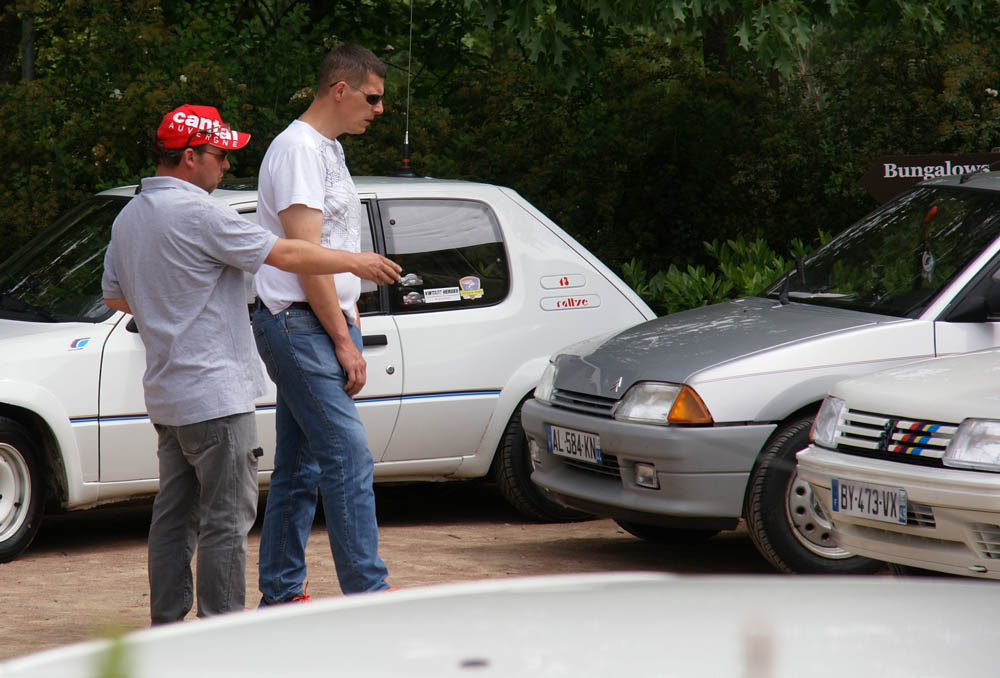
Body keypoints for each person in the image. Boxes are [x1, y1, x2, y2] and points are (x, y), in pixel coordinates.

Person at [101, 103, 400, 625]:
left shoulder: (130, 217)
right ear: (190, 156)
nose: (226, 166)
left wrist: (172, 309)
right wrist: (355, 261)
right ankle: (222, 631)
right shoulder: (201, 214)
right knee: (227, 519)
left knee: (173, 517)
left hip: (168, 395)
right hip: (216, 393)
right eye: (219, 155)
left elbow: (114, 295)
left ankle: (166, 628)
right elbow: (288, 255)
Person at [251, 43, 392, 603]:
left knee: (299, 466)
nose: (379, 109)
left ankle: (281, 595)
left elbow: (325, 247)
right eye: (373, 98)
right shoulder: (297, 151)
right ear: (340, 89)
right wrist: (342, 338)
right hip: (299, 323)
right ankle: (369, 596)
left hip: (322, 320)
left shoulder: (327, 149)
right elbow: (304, 258)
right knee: (347, 454)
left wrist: (349, 315)